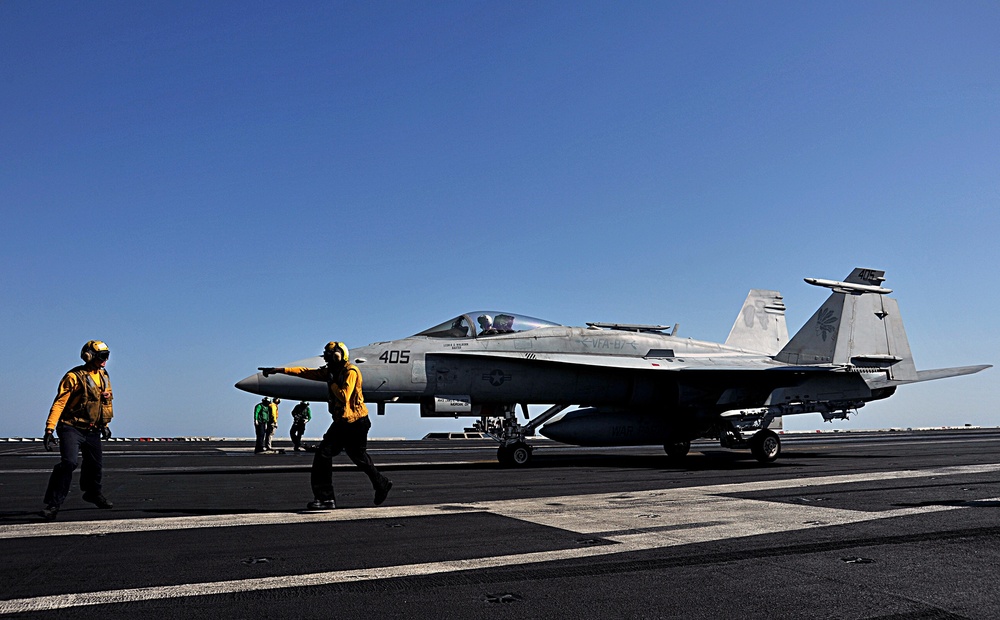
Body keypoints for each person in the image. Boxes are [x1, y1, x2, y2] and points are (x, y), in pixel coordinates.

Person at [259, 341, 392, 509]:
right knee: (358, 457)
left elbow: (344, 395)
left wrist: (332, 382)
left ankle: (325, 498)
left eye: (330, 357)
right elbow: (305, 372)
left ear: (339, 356)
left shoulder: (351, 371)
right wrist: (278, 370)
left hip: (353, 422)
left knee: (325, 455)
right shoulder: (331, 371)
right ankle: (381, 484)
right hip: (348, 421)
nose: (328, 360)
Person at [40, 340, 116, 521]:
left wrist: (105, 425)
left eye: (107, 356)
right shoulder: (73, 377)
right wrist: (49, 429)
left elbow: (103, 402)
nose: (105, 360)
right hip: (71, 427)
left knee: (95, 465)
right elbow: (59, 403)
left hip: (92, 429)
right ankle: (53, 504)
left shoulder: (104, 375)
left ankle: (92, 493)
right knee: (69, 463)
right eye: (101, 357)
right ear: (89, 357)